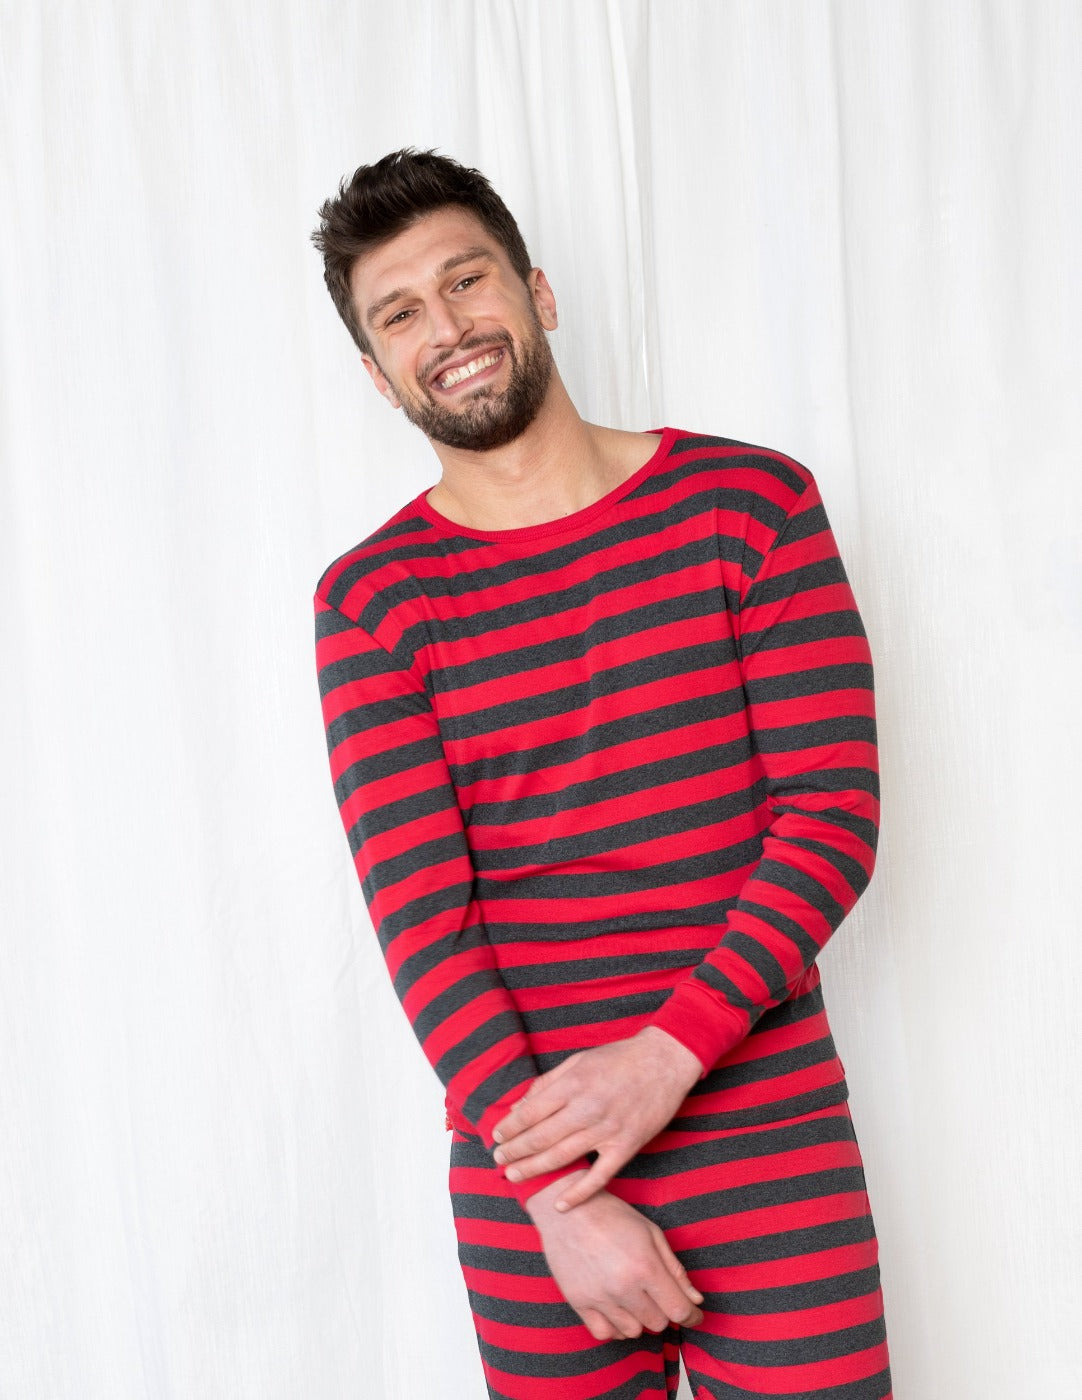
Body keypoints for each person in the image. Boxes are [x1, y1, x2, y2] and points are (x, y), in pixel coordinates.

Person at [311, 148, 892, 1400]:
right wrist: (557, 1195)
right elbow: (423, 918)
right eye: (399, 314)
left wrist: (663, 1057)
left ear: (537, 291)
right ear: (375, 371)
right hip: (531, 1175)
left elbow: (829, 814)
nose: (445, 327)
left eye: (466, 280)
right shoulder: (371, 601)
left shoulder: (748, 506)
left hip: (766, 1131)